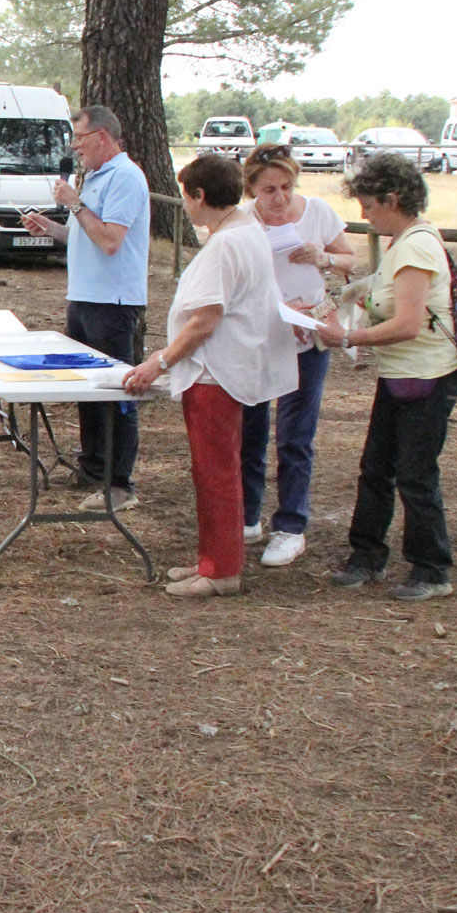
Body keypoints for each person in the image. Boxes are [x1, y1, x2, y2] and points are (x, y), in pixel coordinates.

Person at [121, 154, 297, 598]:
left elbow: (205, 319)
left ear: (200, 196)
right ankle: (213, 557)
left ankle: (221, 571)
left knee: (215, 471)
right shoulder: (243, 230)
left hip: (214, 373)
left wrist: (158, 362)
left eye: (186, 196)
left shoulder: (226, 243)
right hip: (223, 369)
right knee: (214, 470)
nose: (185, 205)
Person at [314, 152, 457, 602]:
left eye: (368, 204)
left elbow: (408, 324)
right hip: (403, 373)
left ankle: (432, 567)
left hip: (427, 375)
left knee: (416, 474)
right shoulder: (404, 241)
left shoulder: (416, 246)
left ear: (392, 199)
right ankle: (366, 555)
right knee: (376, 468)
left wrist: (347, 337)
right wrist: (338, 300)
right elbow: (380, 295)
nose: (363, 213)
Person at [20, 105, 151, 512]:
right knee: (86, 387)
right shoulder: (95, 177)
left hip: (113, 301)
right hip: (84, 297)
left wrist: (75, 204)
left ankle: (120, 483)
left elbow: (111, 240)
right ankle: (93, 467)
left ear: (103, 137)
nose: (75, 148)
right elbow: (87, 236)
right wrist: (53, 227)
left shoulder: (126, 177)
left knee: (115, 391)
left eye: (79, 139)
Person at [240, 145, 357, 568]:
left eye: (287, 187)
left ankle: (290, 526)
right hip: (261, 332)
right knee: (250, 427)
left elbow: (349, 258)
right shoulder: (243, 221)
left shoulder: (318, 212)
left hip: (309, 334)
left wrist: (323, 256)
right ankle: (246, 516)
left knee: (295, 433)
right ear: (252, 187)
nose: (280, 198)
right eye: (269, 189)